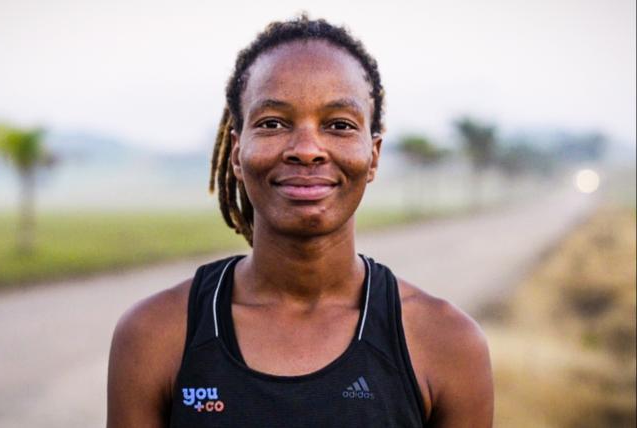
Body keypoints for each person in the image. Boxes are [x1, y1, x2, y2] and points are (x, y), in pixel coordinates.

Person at [107, 15, 493, 428]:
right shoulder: (155, 335)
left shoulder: (447, 343)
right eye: (272, 123)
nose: (307, 150)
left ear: (374, 155)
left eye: (339, 125)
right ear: (237, 152)